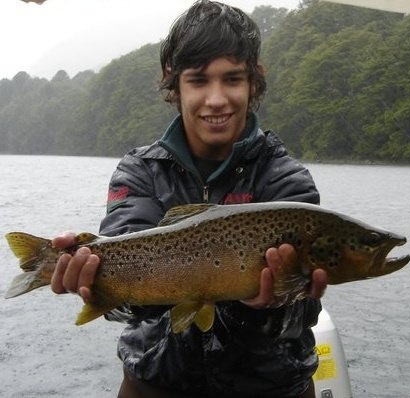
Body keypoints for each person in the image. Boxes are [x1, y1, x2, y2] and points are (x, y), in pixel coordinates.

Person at [51, 1, 327, 397]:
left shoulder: (285, 181)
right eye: (198, 80)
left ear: (254, 81)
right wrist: (96, 286)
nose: (216, 99)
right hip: (154, 385)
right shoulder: (139, 171)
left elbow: (303, 315)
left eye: (232, 79)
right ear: (174, 83)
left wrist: (264, 310)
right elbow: (124, 309)